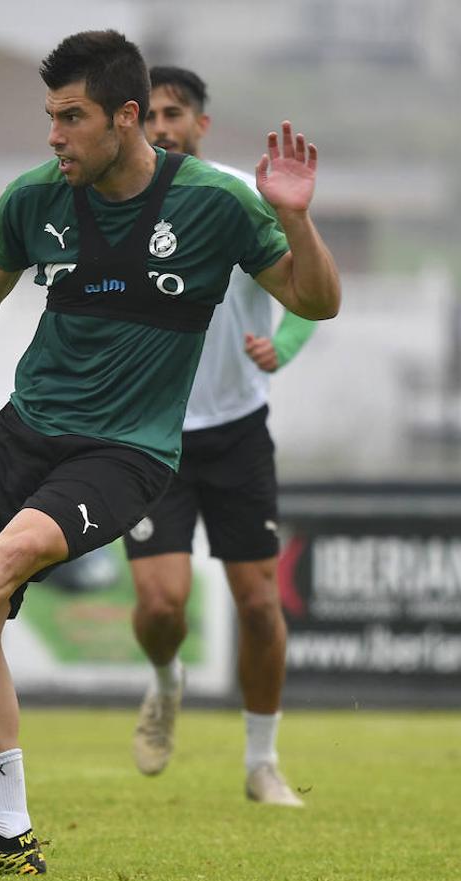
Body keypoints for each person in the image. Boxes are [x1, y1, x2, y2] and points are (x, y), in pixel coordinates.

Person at [0, 30, 341, 874]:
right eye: (49, 116)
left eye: (72, 117)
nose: (54, 135)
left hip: (127, 451)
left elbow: (317, 298)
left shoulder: (214, 203)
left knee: (10, 555)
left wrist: (297, 221)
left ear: (127, 119)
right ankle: (9, 839)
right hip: (26, 429)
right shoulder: (35, 198)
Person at [124, 66, 316, 805]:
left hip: (236, 431)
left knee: (260, 605)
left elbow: (310, 282)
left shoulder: (239, 197)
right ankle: (167, 681)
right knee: (162, 607)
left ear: (200, 123)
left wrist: (285, 346)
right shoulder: (118, 201)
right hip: (153, 435)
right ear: (133, 124)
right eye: (152, 116)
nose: (163, 127)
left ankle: (261, 762)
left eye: (176, 114)